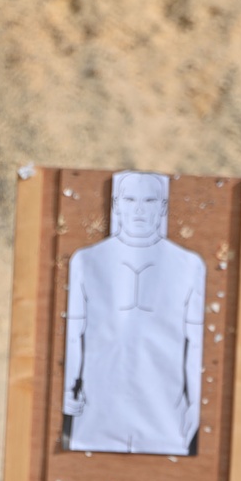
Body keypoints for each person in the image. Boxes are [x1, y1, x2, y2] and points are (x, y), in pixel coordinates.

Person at [62, 171, 206, 455]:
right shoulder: (86, 260)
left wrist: (195, 403)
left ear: (162, 207)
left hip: (164, 407)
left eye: (149, 200)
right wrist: (67, 389)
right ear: (117, 205)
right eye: (129, 199)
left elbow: (196, 342)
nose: (139, 209)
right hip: (97, 406)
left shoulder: (189, 265)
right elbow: (73, 334)